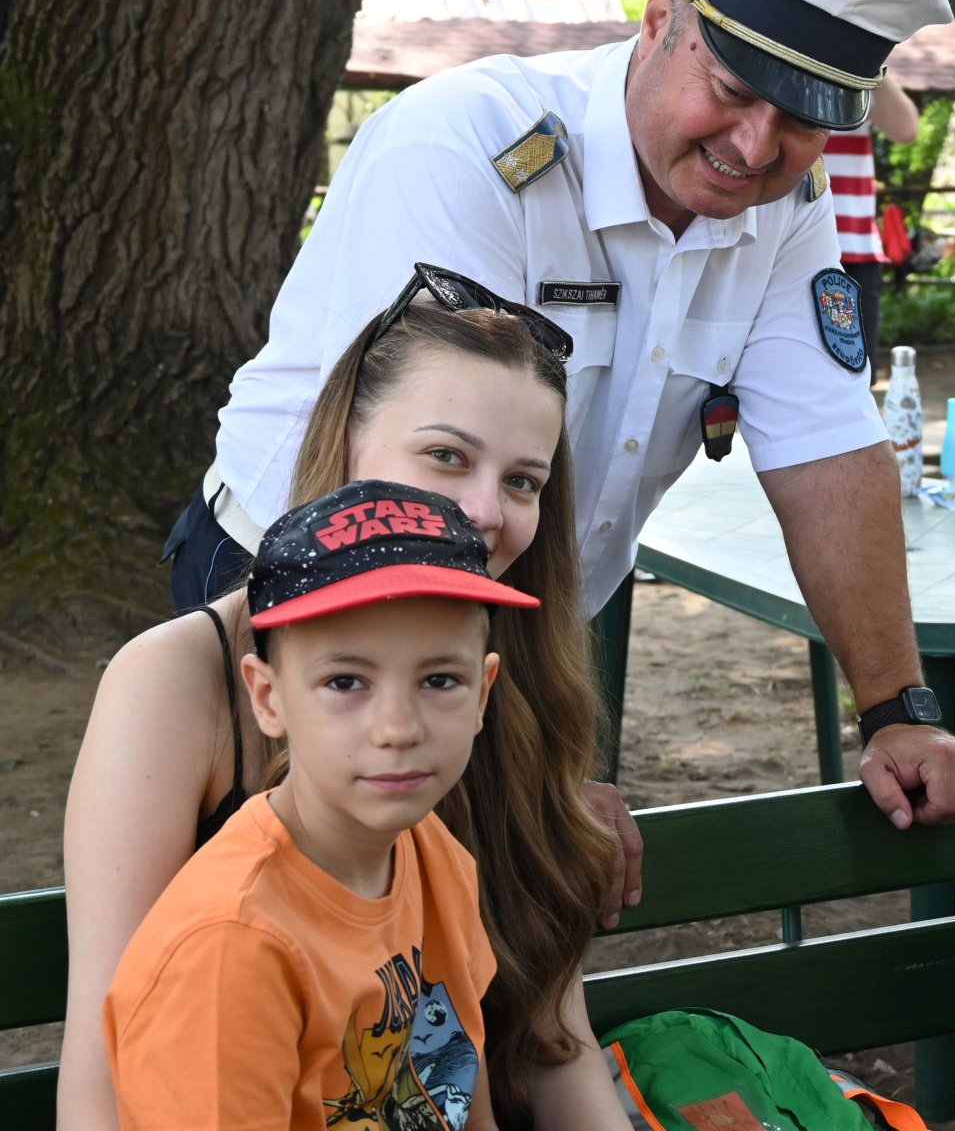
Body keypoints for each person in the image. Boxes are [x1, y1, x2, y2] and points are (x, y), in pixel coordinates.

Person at [163, 0, 955, 830]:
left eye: (804, 121)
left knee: (489, 940)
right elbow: (420, 489)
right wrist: (528, 786)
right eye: (729, 90)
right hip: (309, 589)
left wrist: (898, 709)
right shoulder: (468, 148)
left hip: (519, 626)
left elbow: (828, 450)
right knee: (296, 935)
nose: (754, 147)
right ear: (656, 22)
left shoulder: (784, 209)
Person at [65, 290, 625, 1131]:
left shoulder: (491, 719)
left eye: (521, 480)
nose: (483, 509)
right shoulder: (177, 685)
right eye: (445, 454)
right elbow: (106, 1061)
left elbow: (542, 1046)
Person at [106, 479, 533, 1129]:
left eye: (440, 680)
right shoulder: (229, 952)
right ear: (268, 698)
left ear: (483, 693)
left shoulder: (433, 855)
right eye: (345, 682)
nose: (397, 728)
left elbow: (463, 1098)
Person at [823, 73, 920, 379]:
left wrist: (872, 57)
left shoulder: (860, 70)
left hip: (855, 248)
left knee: (856, 375)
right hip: (784, 245)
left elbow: (906, 129)